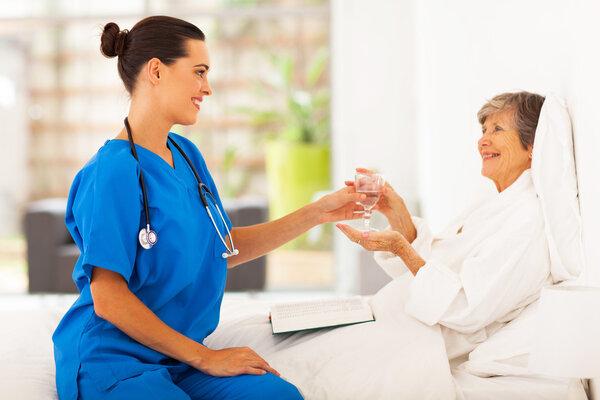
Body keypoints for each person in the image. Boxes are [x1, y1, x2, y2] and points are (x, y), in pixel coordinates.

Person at [52, 16, 364, 400]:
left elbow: (222, 247)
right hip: (114, 362)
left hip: (177, 357)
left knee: (277, 395)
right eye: (199, 72)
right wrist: (205, 357)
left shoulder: (186, 155)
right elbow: (108, 298)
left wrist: (319, 212)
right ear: (156, 71)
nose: (208, 88)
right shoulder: (112, 173)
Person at [337, 91, 551, 360]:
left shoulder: (527, 221)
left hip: (427, 343)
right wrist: (398, 214)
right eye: (484, 129)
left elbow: (467, 308)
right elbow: (438, 264)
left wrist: (401, 248)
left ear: (532, 145)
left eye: (497, 129)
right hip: (394, 316)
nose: (483, 140)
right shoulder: (491, 199)